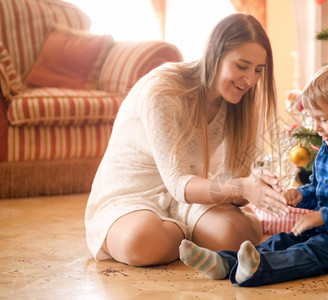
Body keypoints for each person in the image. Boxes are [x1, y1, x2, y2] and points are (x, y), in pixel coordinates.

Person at [85, 13, 289, 267]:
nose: (250, 80)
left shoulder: (240, 102)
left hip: (191, 197)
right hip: (134, 194)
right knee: (141, 241)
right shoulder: (163, 91)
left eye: (259, 70)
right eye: (242, 66)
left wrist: (255, 187)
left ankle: (181, 238)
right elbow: (178, 182)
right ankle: (187, 237)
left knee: (239, 236)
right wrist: (240, 187)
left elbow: (232, 183)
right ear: (214, 53)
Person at [179, 62, 328, 286]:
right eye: (313, 118)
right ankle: (225, 263)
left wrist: (322, 216)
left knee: (309, 252)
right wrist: (301, 195)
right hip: (323, 230)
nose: (316, 127)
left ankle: (257, 270)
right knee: (282, 240)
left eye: (323, 119)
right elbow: (318, 188)